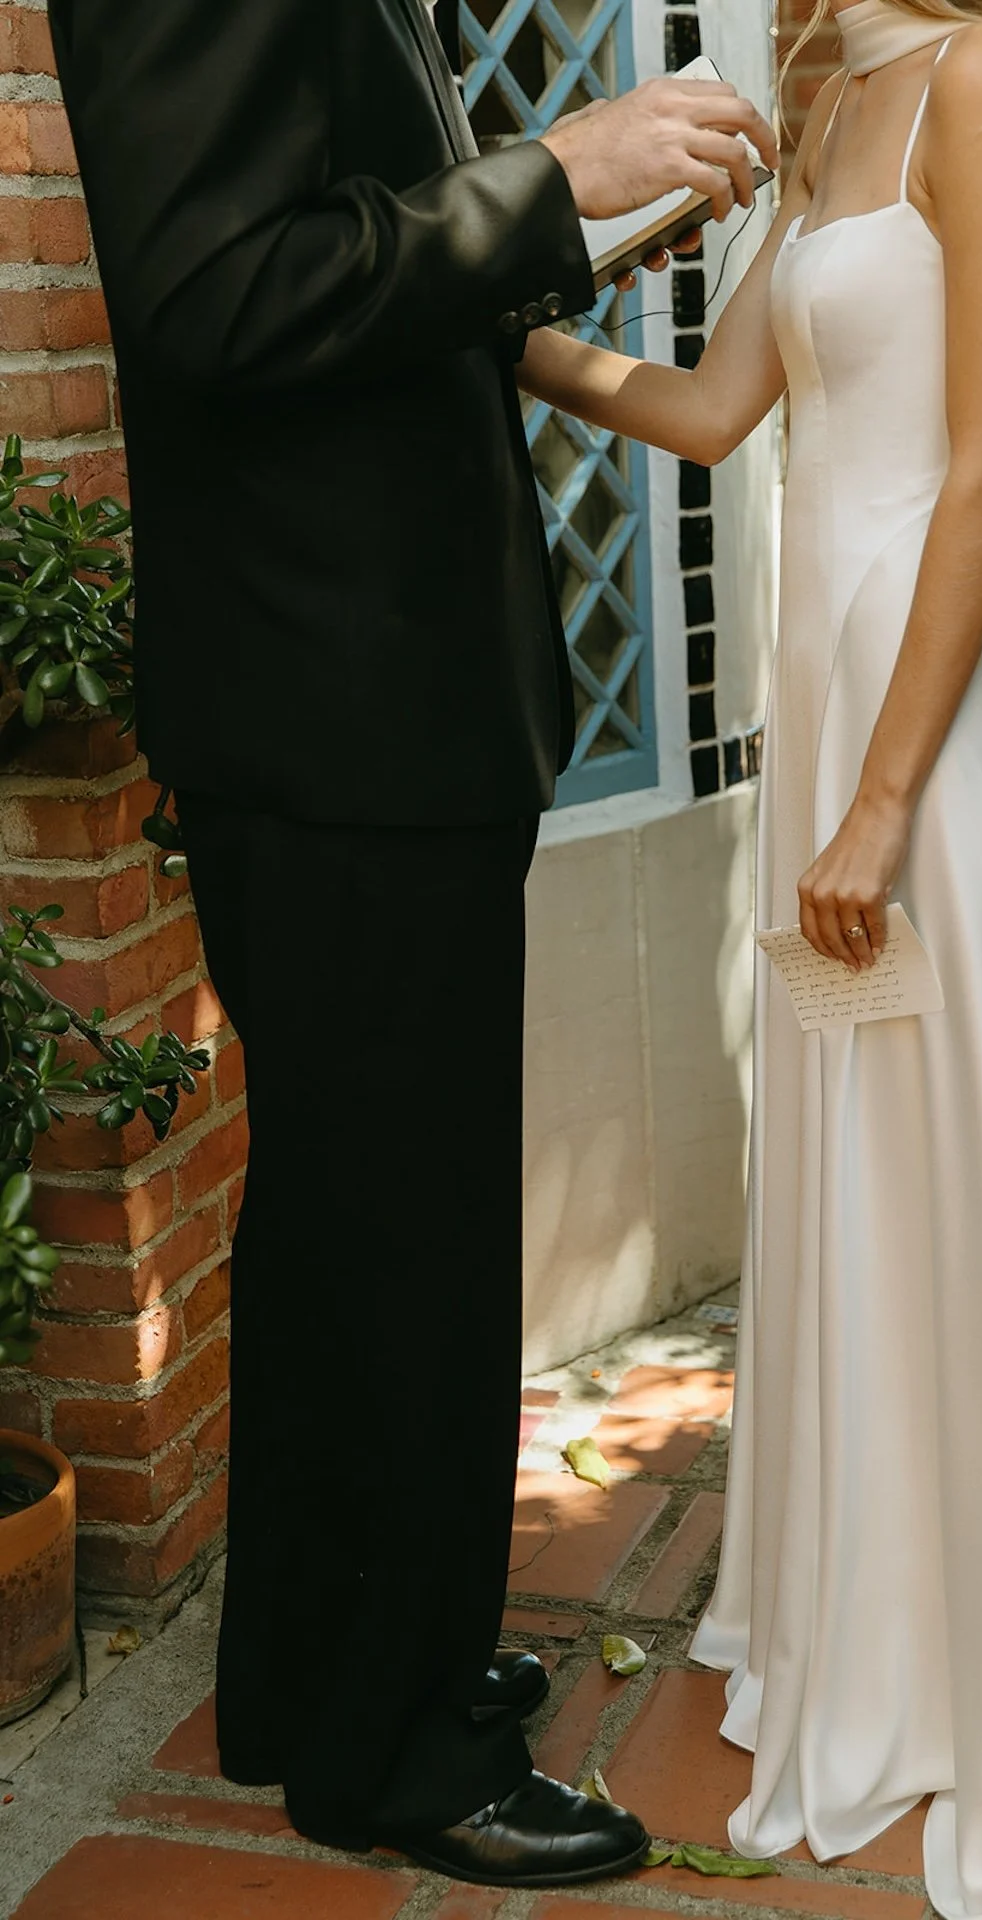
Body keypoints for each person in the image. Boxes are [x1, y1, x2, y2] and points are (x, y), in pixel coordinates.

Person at [515, 1, 982, 1914]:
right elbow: (711, 413)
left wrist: (877, 801)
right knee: (855, 1142)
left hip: (936, 735)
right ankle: (883, 1592)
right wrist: (499, 333)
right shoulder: (834, 93)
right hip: (830, 701)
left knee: (954, 1145)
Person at [44, 0, 778, 1887]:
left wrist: (569, 223)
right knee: (409, 1239)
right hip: (336, 701)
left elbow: (339, 250)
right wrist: (554, 176)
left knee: (350, 1220)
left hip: (387, 698)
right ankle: (395, 1753)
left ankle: (315, 1677)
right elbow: (216, 293)